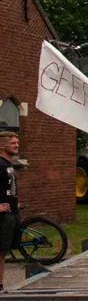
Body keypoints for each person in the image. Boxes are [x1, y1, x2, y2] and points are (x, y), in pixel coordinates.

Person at [0, 124, 20, 292]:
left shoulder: (9, 165)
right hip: (2, 216)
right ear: (2, 145)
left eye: (17, 142)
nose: (16, 145)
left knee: (3, 251)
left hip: (11, 214)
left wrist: (15, 202)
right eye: (12, 143)